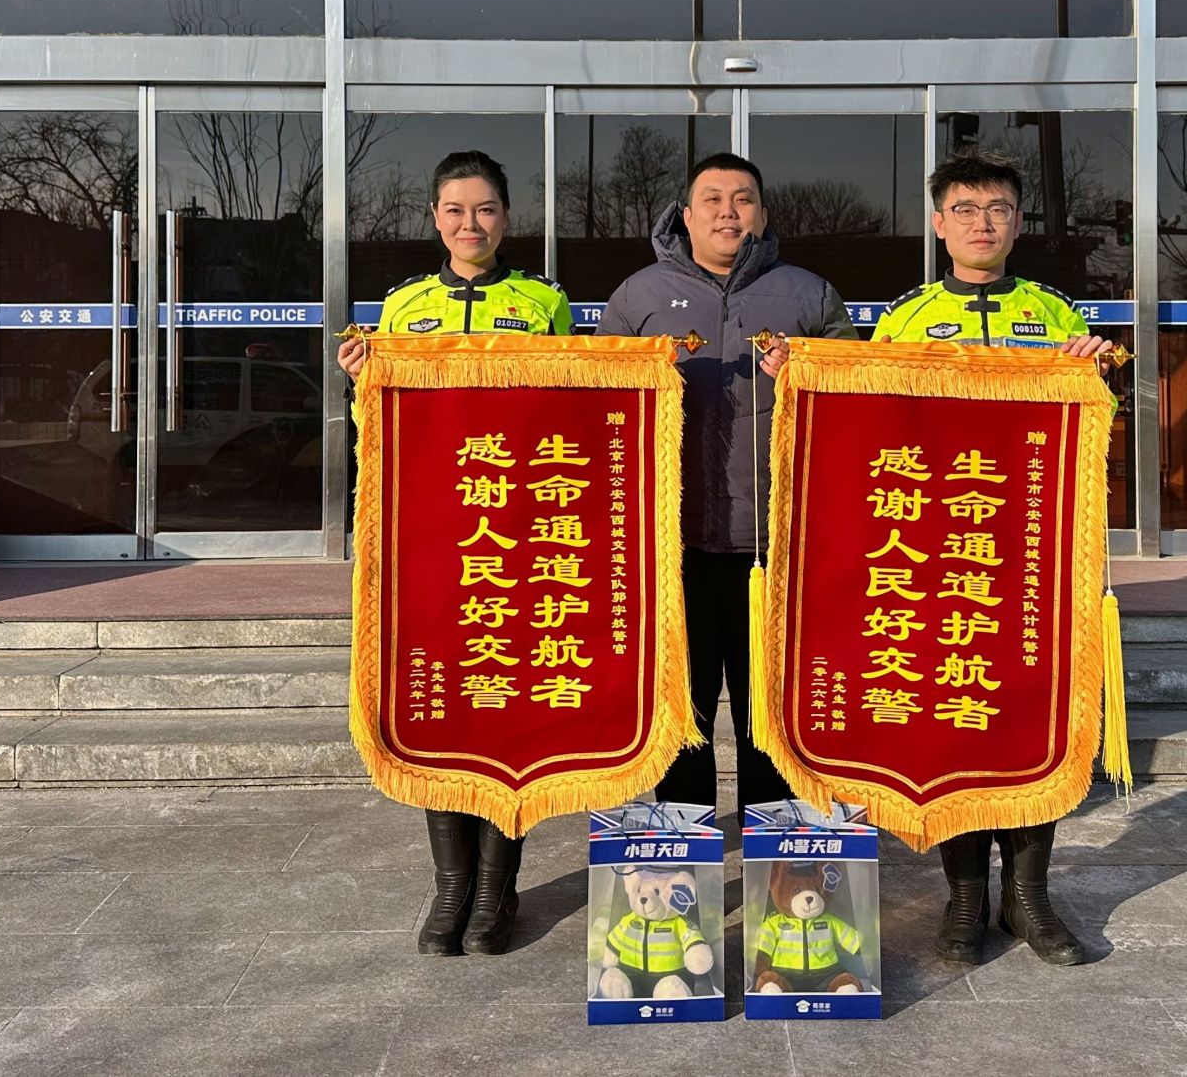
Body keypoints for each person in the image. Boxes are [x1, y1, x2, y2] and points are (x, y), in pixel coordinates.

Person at [767, 149, 1108, 967]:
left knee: (1031, 718)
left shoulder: (1056, 314)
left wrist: (1097, 374)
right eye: (965, 209)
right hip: (937, 559)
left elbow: (1096, 429)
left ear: (1018, 222)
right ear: (938, 222)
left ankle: (1029, 898)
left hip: (1031, 558)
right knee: (952, 714)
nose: (982, 223)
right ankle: (964, 897)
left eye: (998, 209)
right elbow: (864, 423)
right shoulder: (906, 319)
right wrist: (797, 376)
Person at [336, 149, 572, 957]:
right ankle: (450, 887)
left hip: (518, 541)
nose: (471, 224)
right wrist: (361, 384)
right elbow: (379, 432)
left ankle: (497, 891)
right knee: (439, 709)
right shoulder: (403, 306)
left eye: (486, 209)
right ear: (434, 218)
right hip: (432, 540)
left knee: (507, 710)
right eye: (455, 210)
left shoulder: (543, 303)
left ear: (507, 216)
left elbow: (570, 415)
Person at [594, 153, 858, 812]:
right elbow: (596, 406)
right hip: (669, 547)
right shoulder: (637, 297)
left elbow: (860, 399)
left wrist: (808, 372)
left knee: (768, 712)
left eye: (742, 199)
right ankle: (685, 854)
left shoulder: (809, 294)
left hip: (775, 546)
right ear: (686, 216)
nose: (727, 212)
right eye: (711, 199)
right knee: (681, 714)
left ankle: (775, 854)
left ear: (762, 214)